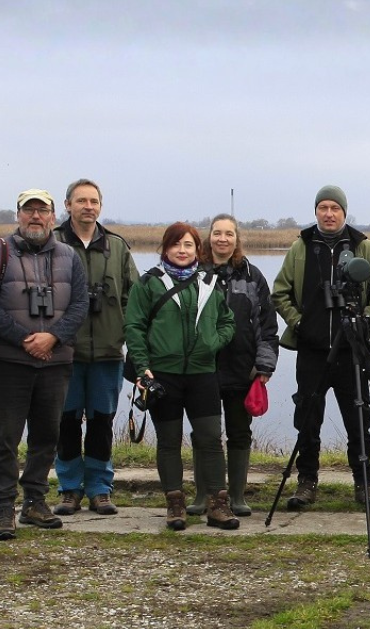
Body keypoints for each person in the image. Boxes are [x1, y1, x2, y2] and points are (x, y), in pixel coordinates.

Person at [0, 188, 90, 540]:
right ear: (18, 215)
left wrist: (52, 338)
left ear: (54, 217)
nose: (36, 217)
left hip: (55, 362)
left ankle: (35, 502)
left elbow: (79, 304)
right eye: (29, 211)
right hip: (10, 360)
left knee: (47, 436)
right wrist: (25, 341)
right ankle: (4, 508)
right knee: (6, 437)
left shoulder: (70, 256)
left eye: (42, 211)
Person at [270, 186, 370, 510]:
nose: (329, 213)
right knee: (307, 417)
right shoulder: (300, 247)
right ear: (316, 211)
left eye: (335, 207)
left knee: (358, 417)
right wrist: (299, 323)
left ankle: (364, 482)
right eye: (323, 207)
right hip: (312, 349)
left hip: (353, 350)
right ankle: (307, 482)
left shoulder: (364, 246)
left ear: (344, 212)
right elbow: (279, 293)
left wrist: (366, 319)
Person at [126, 223, 237, 530]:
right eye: (176, 245)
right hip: (163, 375)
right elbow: (134, 327)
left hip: (203, 374)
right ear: (166, 248)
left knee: (211, 439)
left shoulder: (210, 283)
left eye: (188, 245)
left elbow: (228, 322)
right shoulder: (148, 284)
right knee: (168, 441)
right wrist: (142, 366)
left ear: (196, 250)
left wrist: (212, 343)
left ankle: (218, 504)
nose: (182, 250)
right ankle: (175, 504)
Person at [52, 178, 141, 517]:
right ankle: (69, 488)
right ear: (68, 204)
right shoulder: (54, 243)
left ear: (100, 206)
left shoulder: (117, 247)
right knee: (67, 422)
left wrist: (132, 343)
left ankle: (101, 489)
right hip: (65, 353)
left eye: (93, 201)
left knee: (102, 422)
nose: (88, 206)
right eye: (81, 201)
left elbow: (136, 298)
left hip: (107, 351)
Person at [202, 214, 280, 517]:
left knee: (239, 432)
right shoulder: (196, 273)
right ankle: (205, 495)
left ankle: (236, 496)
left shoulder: (252, 276)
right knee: (206, 434)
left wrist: (264, 366)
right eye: (217, 233)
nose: (223, 239)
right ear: (209, 237)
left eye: (229, 234)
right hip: (203, 369)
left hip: (241, 368)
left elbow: (267, 326)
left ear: (237, 239)